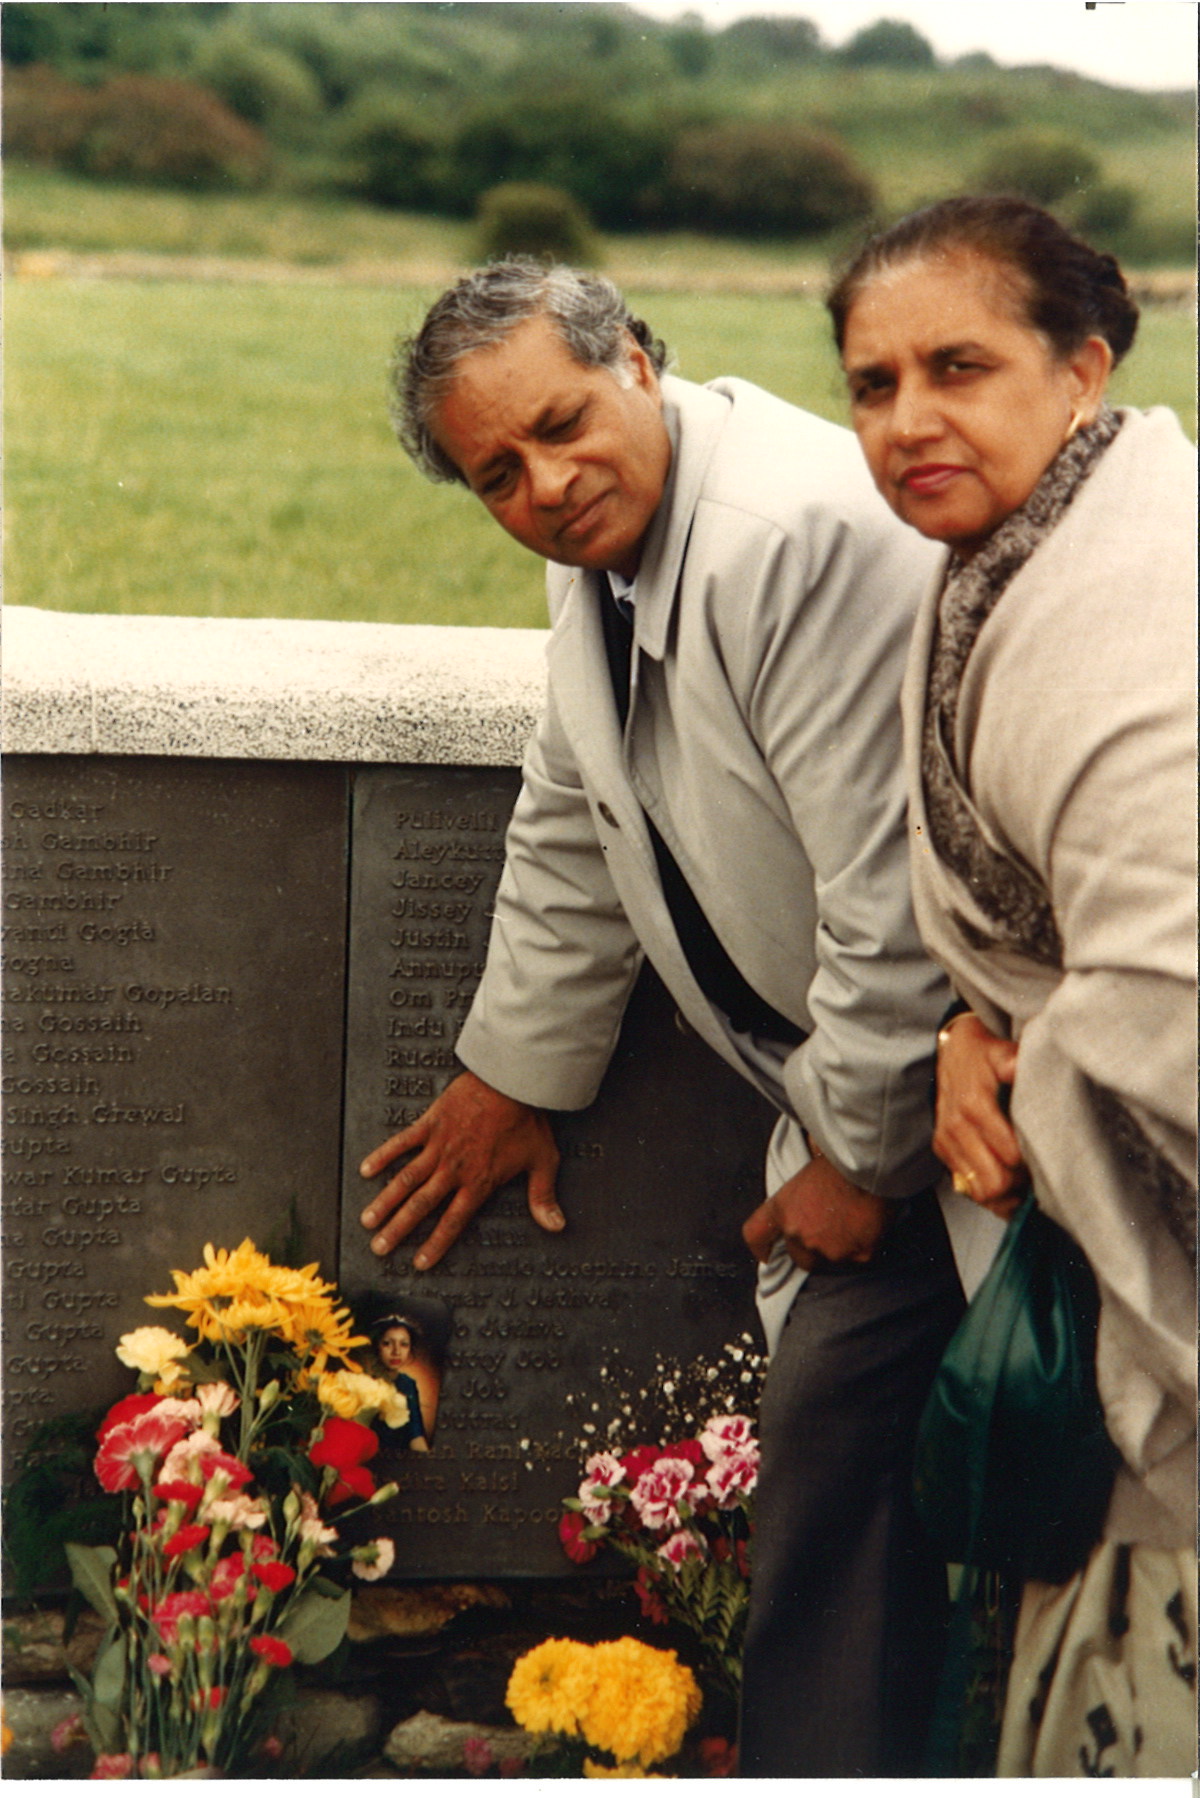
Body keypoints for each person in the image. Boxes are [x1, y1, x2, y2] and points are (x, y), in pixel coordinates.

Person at [359, 260, 970, 1775]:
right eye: (496, 472)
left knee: (856, 1472)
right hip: (876, 1092)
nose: (547, 484)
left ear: (635, 357)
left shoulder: (785, 536)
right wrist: (514, 1069)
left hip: (957, 1101)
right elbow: (577, 807)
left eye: (562, 424)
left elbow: (898, 893)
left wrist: (856, 1155)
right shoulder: (614, 541)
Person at [830, 195, 1197, 1777]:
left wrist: (1014, 1060)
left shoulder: (1132, 616)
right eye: (872, 382)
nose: (911, 419)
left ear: (1082, 369)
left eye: (959, 367)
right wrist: (981, 1032)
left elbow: (1171, 999)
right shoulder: (1027, 547)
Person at [370, 1314, 430, 1452]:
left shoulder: (408, 1384)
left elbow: (415, 1432)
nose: (396, 1351)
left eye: (404, 1344)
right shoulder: (366, 1383)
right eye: (387, 1343)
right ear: (377, 1346)